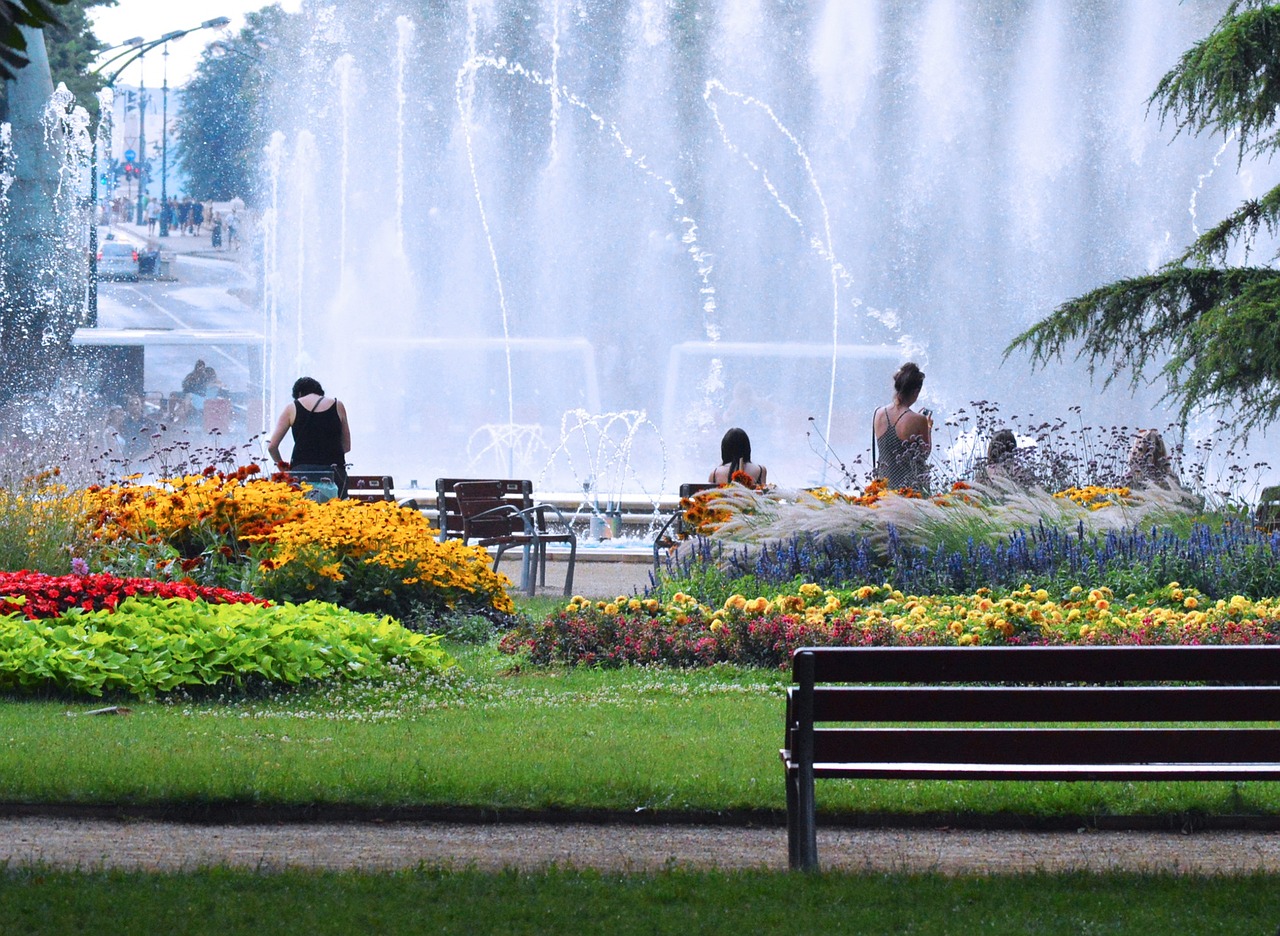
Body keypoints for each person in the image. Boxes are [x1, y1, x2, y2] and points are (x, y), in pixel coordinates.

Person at [267, 376, 352, 495]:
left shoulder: (291, 408)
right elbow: (347, 446)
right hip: (335, 474)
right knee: (336, 511)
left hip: (301, 475)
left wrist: (284, 471)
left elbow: (272, 447)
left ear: (299, 393)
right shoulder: (338, 405)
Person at [872, 362, 932, 491]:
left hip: (883, 489)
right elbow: (924, 454)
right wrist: (928, 428)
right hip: (911, 492)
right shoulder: (919, 419)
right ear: (916, 391)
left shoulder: (878, 413)